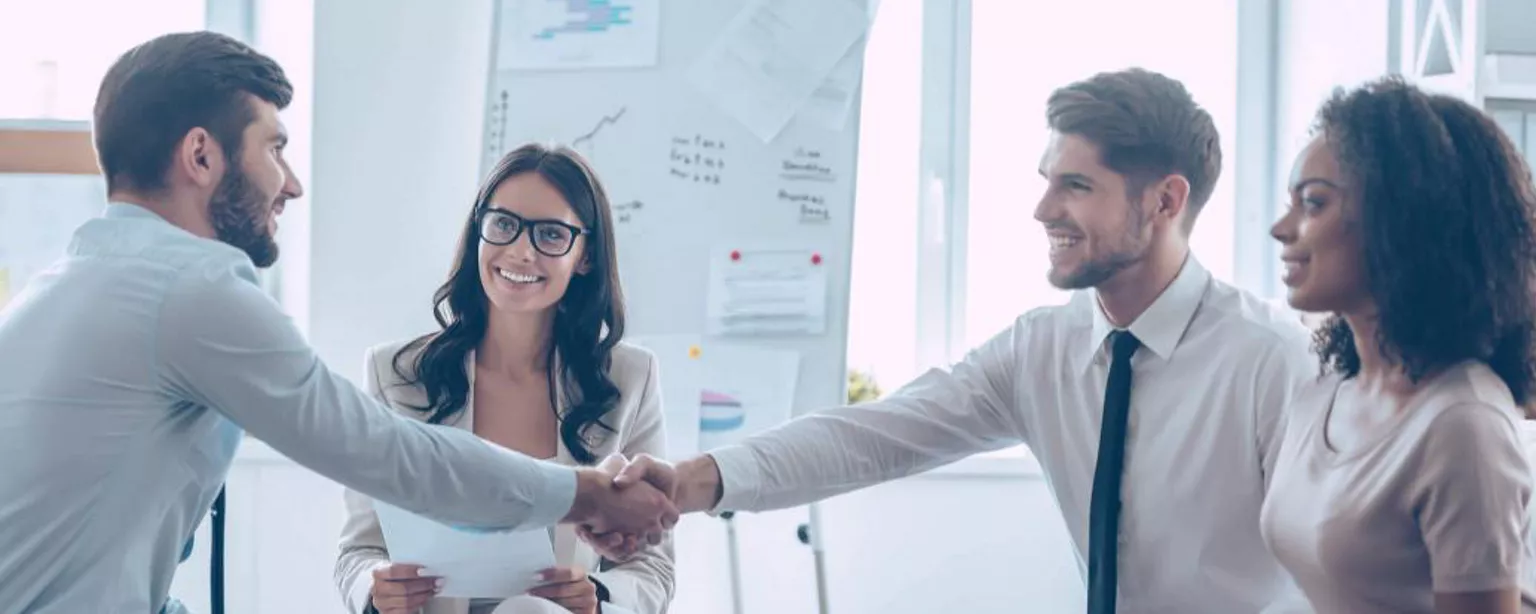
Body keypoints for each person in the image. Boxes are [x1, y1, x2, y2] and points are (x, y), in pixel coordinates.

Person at [592, 68, 1317, 612]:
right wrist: (684, 483)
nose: (1042, 209)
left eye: (1075, 185)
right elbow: (874, 436)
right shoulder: (1041, 350)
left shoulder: (1272, 361)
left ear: (1165, 199)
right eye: (1045, 181)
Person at [0, 32, 674, 614]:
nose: (290, 183)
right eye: (275, 149)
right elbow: (387, 454)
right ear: (201, 157)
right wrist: (585, 493)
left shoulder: (68, 282)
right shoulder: (193, 290)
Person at [335, 144, 674, 614]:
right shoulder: (397, 374)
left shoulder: (630, 378)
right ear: (479, 230)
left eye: (551, 235)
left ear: (585, 257)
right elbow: (359, 549)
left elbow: (653, 567)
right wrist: (374, 593)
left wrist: (597, 597)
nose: (520, 250)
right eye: (503, 224)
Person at [1262, 77, 1536, 613]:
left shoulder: (1463, 425)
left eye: (1313, 203)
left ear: (1402, 219)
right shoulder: (1325, 392)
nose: (1281, 228)